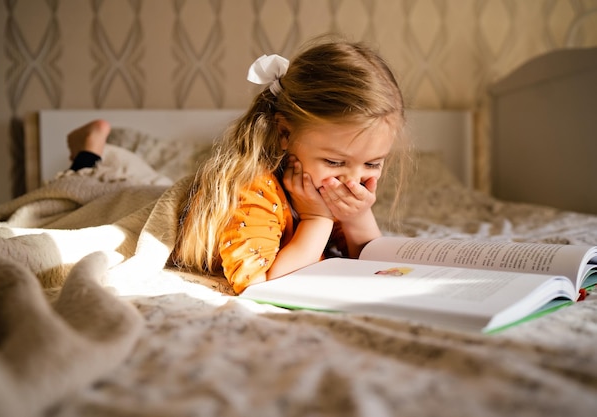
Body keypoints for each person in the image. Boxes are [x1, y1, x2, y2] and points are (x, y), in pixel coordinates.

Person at [66, 36, 408, 294]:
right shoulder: (253, 189)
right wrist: (318, 219)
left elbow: (370, 260)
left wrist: (357, 216)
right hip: (147, 203)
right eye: (335, 161)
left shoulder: (320, 185)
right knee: (92, 185)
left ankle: (99, 156)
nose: (353, 179)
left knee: (138, 174)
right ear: (285, 133)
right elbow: (260, 284)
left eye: (373, 164)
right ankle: (87, 155)